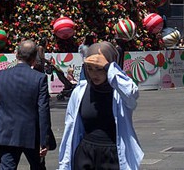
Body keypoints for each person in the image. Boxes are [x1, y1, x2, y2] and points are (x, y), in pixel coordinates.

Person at [58, 41, 143, 170]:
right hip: (85, 155)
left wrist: (109, 68)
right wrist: (64, 165)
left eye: (99, 68)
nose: (94, 74)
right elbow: (69, 129)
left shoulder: (119, 93)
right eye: (90, 68)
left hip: (112, 155)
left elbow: (132, 93)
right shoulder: (80, 91)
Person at [0, 39, 51, 170]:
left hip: (6, 132)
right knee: (38, 166)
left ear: (16, 54)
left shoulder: (1, 76)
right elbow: (43, 110)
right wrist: (44, 140)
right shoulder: (39, 78)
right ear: (34, 58)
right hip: (32, 133)